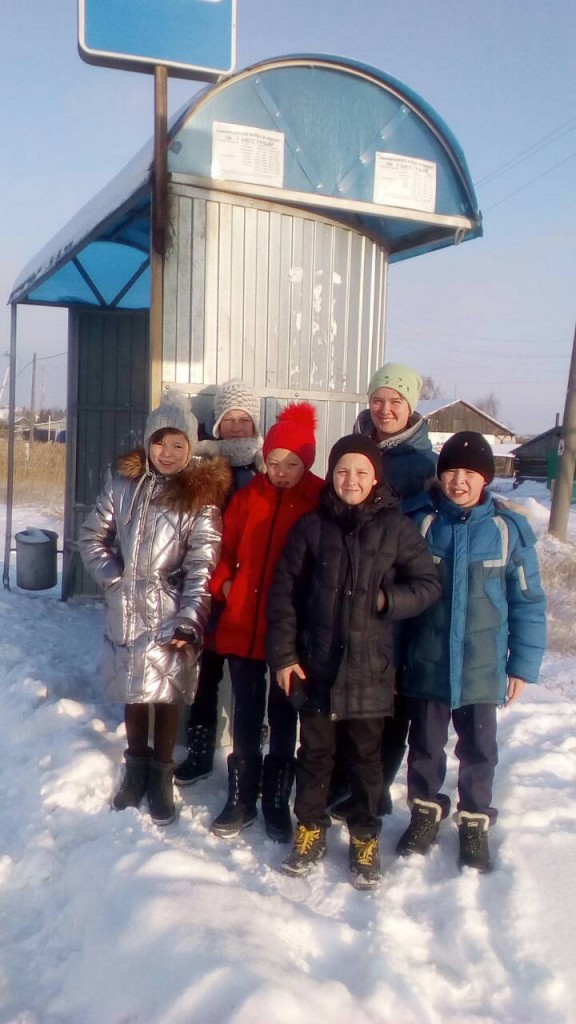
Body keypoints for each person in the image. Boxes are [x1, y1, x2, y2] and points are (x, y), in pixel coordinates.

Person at [266, 435, 441, 889]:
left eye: (362, 472)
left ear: (375, 477)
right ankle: (310, 828)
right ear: (331, 474)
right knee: (315, 754)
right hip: (316, 666)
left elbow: (428, 584)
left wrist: (388, 600)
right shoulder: (311, 526)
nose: (351, 480)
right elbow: (283, 595)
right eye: (343, 470)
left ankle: (365, 836)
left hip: (369, 668)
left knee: (366, 759)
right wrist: (284, 656)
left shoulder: (395, 527)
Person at [78, 390, 231, 826]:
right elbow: (91, 537)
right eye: (160, 442)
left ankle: (162, 774)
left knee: (166, 694)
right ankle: (136, 766)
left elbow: (202, 563)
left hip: (171, 611)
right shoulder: (122, 485)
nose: (167, 452)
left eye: (178, 444)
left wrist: (189, 615)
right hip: (127, 607)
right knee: (133, 690)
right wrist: (115, 579)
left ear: (190, 448)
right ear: (148, 442)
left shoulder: (199, 498)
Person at [396, 431, 547, 872]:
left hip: (482, 666)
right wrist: (395, 657)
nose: (459, 481)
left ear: (486, 478)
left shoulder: (507, 531)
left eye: (469, 473)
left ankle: (475, 820)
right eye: (451, 472)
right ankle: (425, 811)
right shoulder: (421, 523)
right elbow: (400, 596)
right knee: (425, 744)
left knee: (479, 748)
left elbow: (528, 601)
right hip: (428, 660)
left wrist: (521, 666)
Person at [209, 402, 324, 842]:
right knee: (246, 710)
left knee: (283, 713)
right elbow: (223, 551)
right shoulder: (248, 497)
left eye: (292, 464)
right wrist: (225, 587)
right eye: (274, 462)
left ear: (306, 462)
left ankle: (276, 797)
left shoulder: (317, 500)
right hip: (243, 623)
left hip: (288, 633)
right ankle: (241, 796)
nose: (281, 472)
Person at [330, 362, 437, 820]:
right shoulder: (357, 446)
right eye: (377, 400)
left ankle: (376, 786)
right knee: (347, 683)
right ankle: (343, 779)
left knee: (389, 693)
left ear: (411, 407)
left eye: (395, 401)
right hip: (350, 588)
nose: (385, 409)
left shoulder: (424, 465)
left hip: (394, 594)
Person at [174, 379, 265, 788]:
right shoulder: (202, 465)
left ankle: (250, 750)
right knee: (205, 675)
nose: (237, 426)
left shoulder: (265, 468)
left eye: (245, 419)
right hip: (208, 585)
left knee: (248, 678)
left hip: (247, 592)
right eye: (230, 419)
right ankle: (199, 749)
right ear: (217, 424)